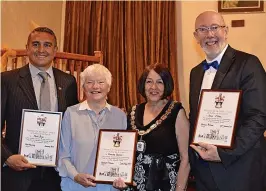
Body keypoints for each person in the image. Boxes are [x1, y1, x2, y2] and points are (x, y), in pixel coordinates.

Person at [189, 11, 266, 191]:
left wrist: (224, 153)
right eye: (202, 29)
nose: (209, 34)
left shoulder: (248, 63)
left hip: (240, 170)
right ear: (195, 36)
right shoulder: (195, 72)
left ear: (226, 31)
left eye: (215, 28)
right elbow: (196, 116)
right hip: (204, 170)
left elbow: (258, 117)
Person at [1, 27, 79, 191]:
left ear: (55, 50)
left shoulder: (68, 82)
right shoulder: (7, 80)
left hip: (56, 174)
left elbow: (73, 127)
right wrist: (7, 157)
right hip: (17, 174)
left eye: (47, 45)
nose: (41, 50)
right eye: (36, 44)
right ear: (27, 48)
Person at [114, 63, 190, 191]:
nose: (154, 87)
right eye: (149, 82)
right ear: (143, 85)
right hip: (133, 186)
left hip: (164, 185)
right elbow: (123, 153)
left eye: (159, 82)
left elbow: (185, 158)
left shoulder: (176, 111)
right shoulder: (133, 111)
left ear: (166, 85)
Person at [57, 64, 127, 191]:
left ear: (109, 86)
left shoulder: (120, 116)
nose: (95, 86)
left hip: (109, 188)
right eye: (89, 82)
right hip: (76, 186)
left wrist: (123, 178)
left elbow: (124, 155)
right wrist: (76, 176)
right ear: (83, 86)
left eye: (101, 82)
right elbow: (62, 155)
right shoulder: (71, 114)